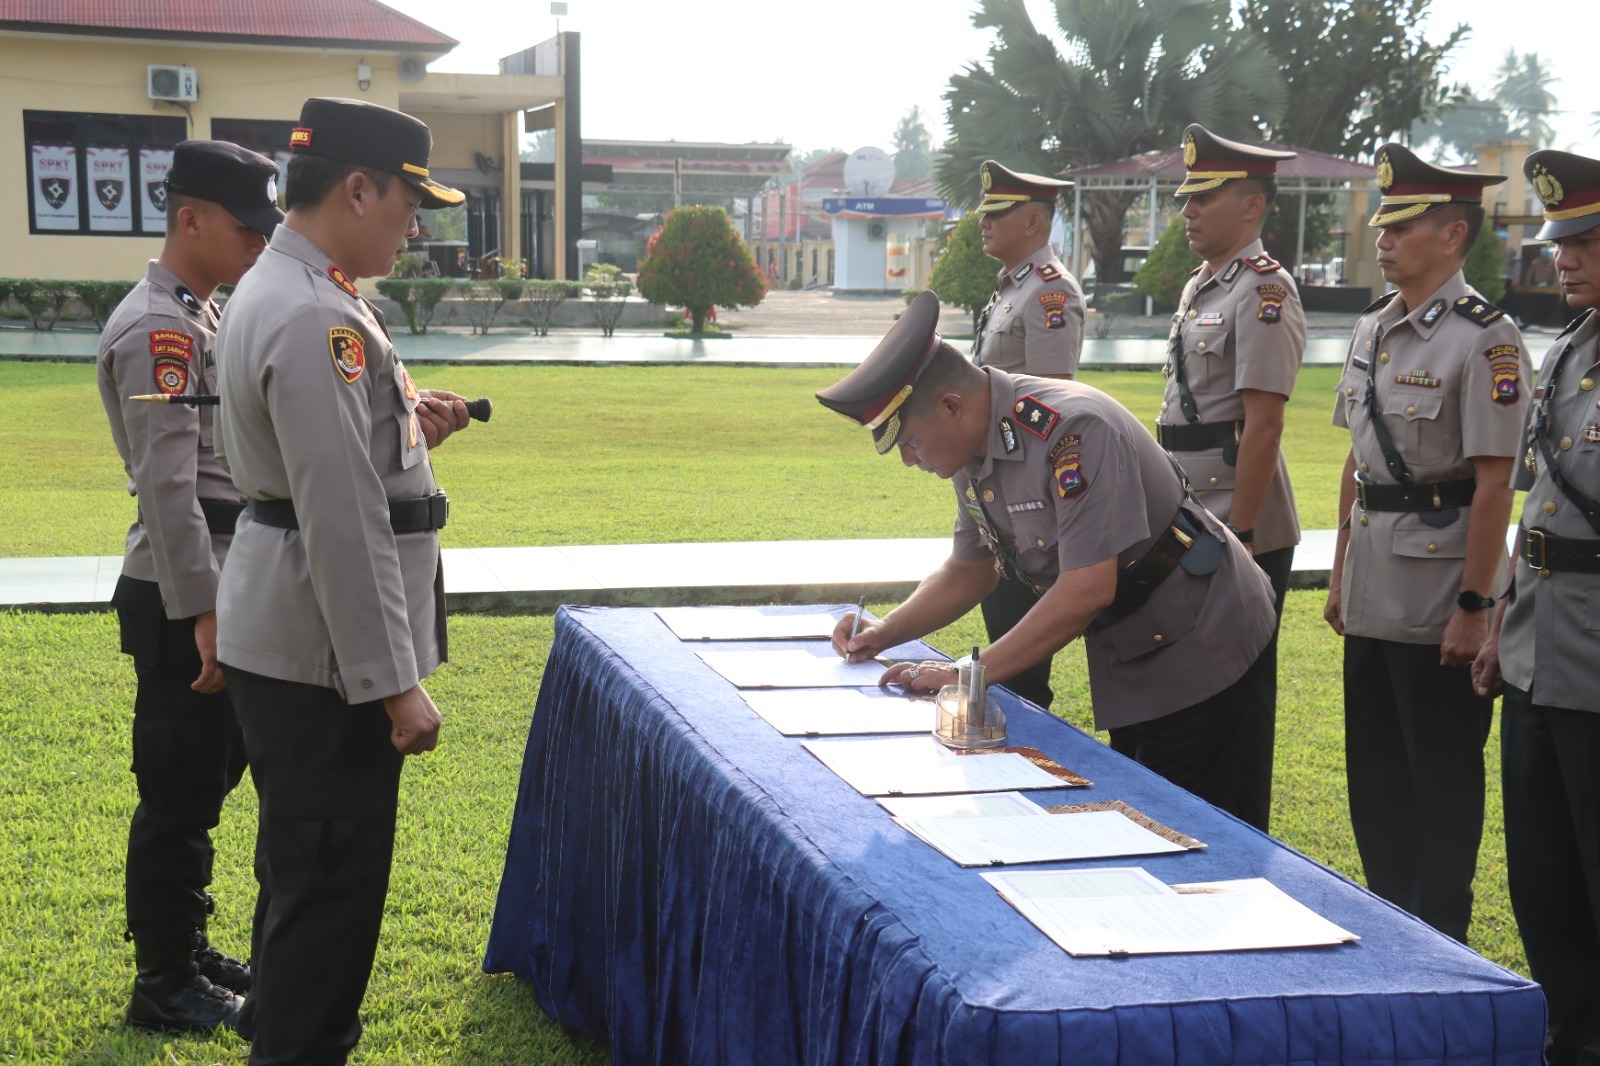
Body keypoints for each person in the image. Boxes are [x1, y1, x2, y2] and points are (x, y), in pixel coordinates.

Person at [212, 97, 472, 1064]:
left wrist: (407, 423)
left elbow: (337, 457)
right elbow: (339, 513)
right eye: (410, 203)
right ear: (356, 188)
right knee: (328, 902)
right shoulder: (317, 308)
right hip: (323, 659)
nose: (416, 223)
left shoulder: (298, 287)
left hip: (290, 638)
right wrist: (392, 680)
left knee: (301, 886)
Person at [819, 291, 1278, 829]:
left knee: (1196, 835)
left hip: (1207, 637)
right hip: (1134, 643)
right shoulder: (972, 450)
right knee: (1141, 819)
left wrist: (967, 674)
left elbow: (1085, 589)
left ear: (951, 406)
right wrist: (884, 631)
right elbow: (970, 568)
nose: (908, 459)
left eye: (911, 440)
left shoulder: (1071, 431)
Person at [96, 139, 284, 1033]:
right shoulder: (159, 329)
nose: (259, 243)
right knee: (176, 793)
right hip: (184, 591)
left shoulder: (199, 317)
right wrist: (204, 613)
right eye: (247, 227)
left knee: (204, 783)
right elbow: (170, 488)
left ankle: (189, 946)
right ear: (189, 218)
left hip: (211, 582)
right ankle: (163, 981)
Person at [1324, 143, 1529, 944]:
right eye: (1383, 225)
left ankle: (1440, 938)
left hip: (1441, 595)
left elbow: (1492, 485)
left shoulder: (1488, 339)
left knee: (1439, 780)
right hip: (1375, 585)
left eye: (1404, 226)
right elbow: (1356, 463)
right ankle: (1386, 928)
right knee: (1374, 776)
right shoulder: (1375, 327)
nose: (1384, 239)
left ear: (1452, 236)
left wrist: (1477, 608)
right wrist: (1340, 576)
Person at [1474, 148, 1600, 1064]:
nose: (1568, 257)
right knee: (1545, 873)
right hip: (1537, 652)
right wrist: (1502, 615)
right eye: (1563, 241)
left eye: (1589, 241)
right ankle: (1569, 1033)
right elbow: (1540, 503)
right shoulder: (1571, 349)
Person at [1157, 127, 1305, 807]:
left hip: (1235, 522)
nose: (1187, 212)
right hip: (1192, 508)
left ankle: (1238, 839)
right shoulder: (1202, 286)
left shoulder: (1263, 290)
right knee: (1187, 689)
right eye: (1186, 200)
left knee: (1234, 702)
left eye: (1203, 200)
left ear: (1251, 206)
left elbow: (1264, 420)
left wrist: (1241, 534)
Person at [966, 160, 1086, 710]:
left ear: (1034, 220)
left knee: (1022, 673)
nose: (982, 222)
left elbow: (1050, 407)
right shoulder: (1012, 288)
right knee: (1003, 643)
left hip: (1026, 498)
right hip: (997, 490)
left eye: (997, 213)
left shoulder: (1049, 294)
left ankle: (1031, 771)